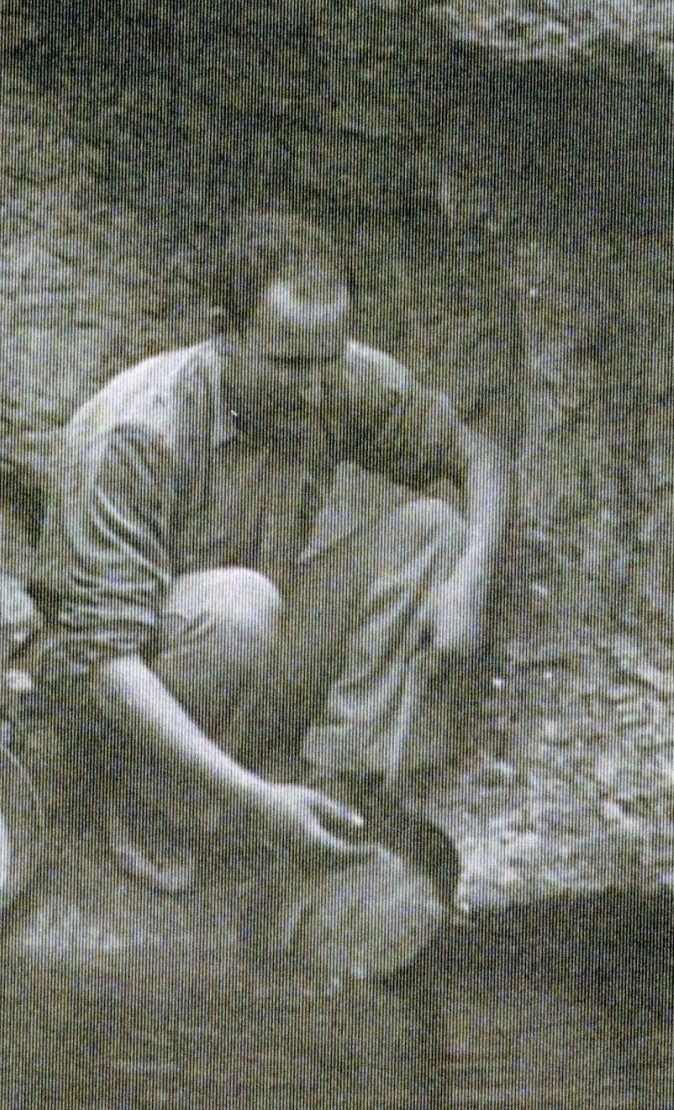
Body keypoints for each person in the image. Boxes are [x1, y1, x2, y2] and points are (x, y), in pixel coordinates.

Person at [32, 210, 511, 892]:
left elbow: (479, 456)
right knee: (241, 605)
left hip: (246, 652)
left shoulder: (332, 375)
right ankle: (152, 801)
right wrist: (254, 800)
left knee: (434, 531)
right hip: (109, 693)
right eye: (288, 365)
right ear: (224, 332)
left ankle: (331, 787)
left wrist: (470, 581)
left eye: (328, 360)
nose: (313, 389)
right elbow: (107, 659)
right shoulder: (141, 432)